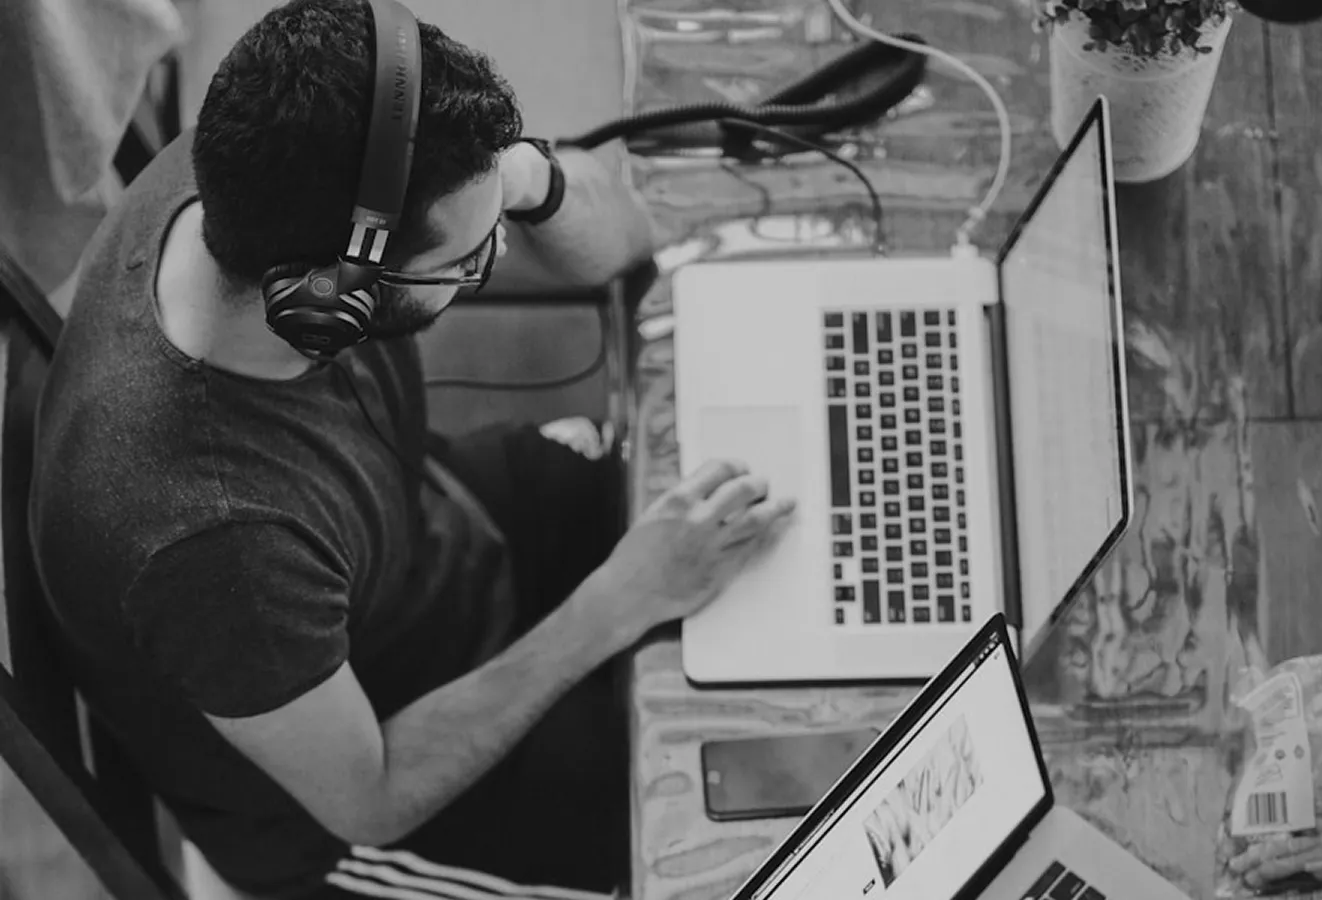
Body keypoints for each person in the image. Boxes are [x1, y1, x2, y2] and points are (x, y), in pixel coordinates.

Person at [27, 1, 796, 898]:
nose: (497, 256)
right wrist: (619, 601)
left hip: (426, 546)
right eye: (469, 262)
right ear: (331, 300)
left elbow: (623, 238)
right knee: (756, 824)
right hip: (372, 787)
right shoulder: (209, 543)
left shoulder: (267, 164)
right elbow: (374, 797)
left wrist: (519, 179)